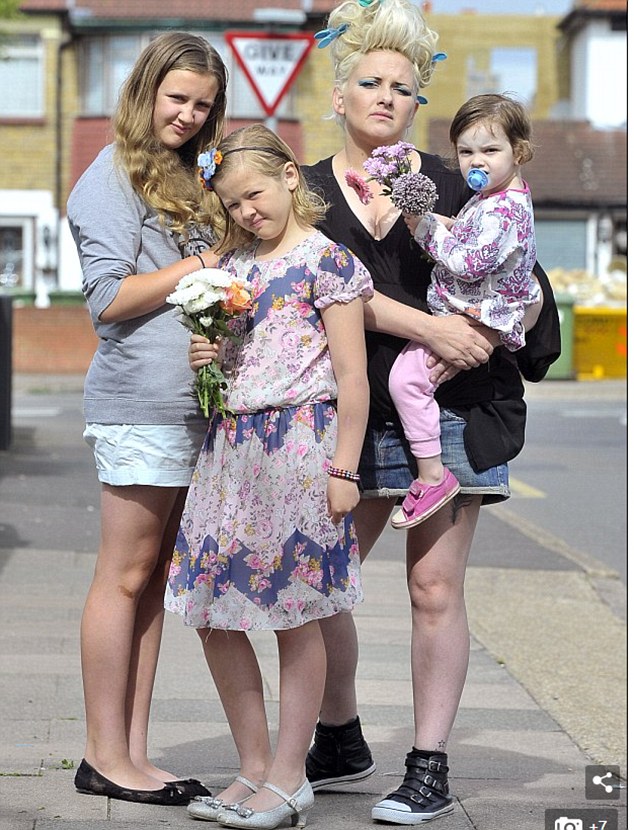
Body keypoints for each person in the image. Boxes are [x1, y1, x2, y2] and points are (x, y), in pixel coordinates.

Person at [300, 0, 559, 825]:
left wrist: (490, 334)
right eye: (369, 82)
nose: (385, 96)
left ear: (419, 105)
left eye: (402, 88)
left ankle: (429, 767)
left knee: (434, 587)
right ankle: (339, 735)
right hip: (345, 413)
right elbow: (301, 293)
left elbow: (526, 283)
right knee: (320, 581)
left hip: (453, 406)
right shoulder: (302, 192)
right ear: (339, 96)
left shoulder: (463, 183)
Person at [165, 123, 373, 829]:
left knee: (295, 613)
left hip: (298, 451)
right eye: (231, 204)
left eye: (252, 194)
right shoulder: (233, 271)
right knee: (212, 611)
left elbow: (353, 380)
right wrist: (207, 356)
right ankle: (253, 766)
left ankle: (291, 776)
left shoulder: (328, 263)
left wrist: (344, 468)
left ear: (289, 177)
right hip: (231, 451)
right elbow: (229, 363)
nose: (245, 212)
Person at [66, 32, 228, 805]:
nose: (190, 115)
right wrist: (200, 267)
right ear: (146, 92)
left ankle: (130, 750)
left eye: (203, 104)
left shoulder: (192, 177)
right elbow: (107, 300)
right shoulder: (110, 177)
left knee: (154, 581)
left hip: (186, 412)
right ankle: (103, 755)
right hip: (139, 407)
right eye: (178, 99)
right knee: (122, 576)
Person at [388, 93, 543, 531]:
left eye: (491, 150)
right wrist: (445, 223)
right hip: (483, 310)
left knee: (408, 381)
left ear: (520, 152)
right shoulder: (496, 197)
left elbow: (467, 261)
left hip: (476, 316)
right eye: (466, 151)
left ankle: (432, 476)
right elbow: (473, 231)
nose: (477, 161)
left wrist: (422, 228)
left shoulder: (502, 209)